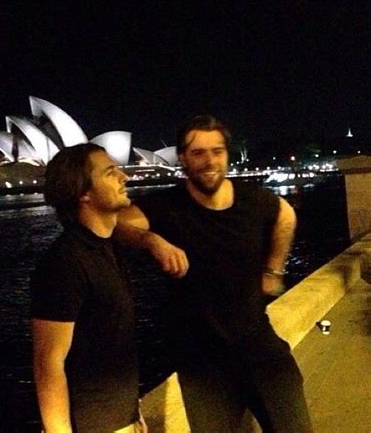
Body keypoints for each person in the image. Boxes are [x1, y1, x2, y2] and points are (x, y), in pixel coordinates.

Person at [116, 116, 313, 432]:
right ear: (182, 158)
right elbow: (116, 225)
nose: (210, 161)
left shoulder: (254, 200)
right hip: (203, 368)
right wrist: (151, 240)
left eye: (217, 151)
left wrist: (273, 269)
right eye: (198, 153)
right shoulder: (165, 206)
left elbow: (286, 216)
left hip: (263, 355)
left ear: (227, 154)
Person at [31, 143, 147, 433]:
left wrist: (133, 413)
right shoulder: (64, 263)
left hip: (122, 419)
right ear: (83, 193)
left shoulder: (106, 247)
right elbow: (48, 363)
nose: (125, 177)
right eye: (110, 173)